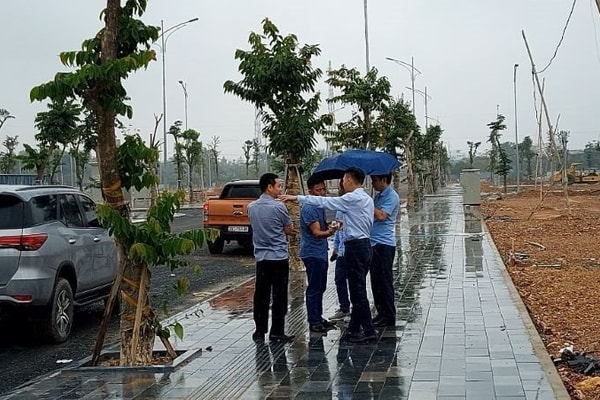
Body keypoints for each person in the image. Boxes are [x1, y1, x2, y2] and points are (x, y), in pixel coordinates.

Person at [280, 167, 377, 343]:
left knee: (357, 292)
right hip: (363, 245)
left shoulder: (352, 198)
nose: (342, 183)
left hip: (356, 247)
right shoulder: (367, 199)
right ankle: (354, 329)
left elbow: (326, 203)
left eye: (343, 180)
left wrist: (296, 197)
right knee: (356, 290)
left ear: (348, 180)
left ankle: (368, 330)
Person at [247, 173, 295, 343]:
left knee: (261, 295)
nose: (280, 189)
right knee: (279, 296)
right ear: (269, 187)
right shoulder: (278, 207)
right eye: (279, 186)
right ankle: (277, 331)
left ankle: (259, 331)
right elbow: (288, 229)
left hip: (261, 257)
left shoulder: (251, 207)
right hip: (279, 257)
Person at [299, 175, 338, 333]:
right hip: (312, 252)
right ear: (310, 192)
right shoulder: (309, 208)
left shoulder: (319, 206)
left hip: (320, 251)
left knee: (320, 286)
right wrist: (331, 231)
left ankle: (318, 316)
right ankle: (313, 320)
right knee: (314, 287)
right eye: (318, 190)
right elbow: (316, 232)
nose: (322, 193)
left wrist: (329, 225)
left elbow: (321, 227)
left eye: (324, 189)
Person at [369, 174, 400, 328]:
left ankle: (388, 315)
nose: (373, 183)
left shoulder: (391, 196)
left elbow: (381, 216)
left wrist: (368, 204)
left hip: (384, 244)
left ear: (383, 180)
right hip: (374, 243)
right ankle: (380, 313)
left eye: (375, 180)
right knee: (376, 282)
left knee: (384, 281)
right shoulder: (379, 196)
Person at [329, 178, 351, 321]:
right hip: (342, 252)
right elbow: (338, 230)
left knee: (355, 281)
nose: (339, 189)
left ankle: (358, 309)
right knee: (339, 280)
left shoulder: (355, 205)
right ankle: (344, 307)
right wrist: (335, 249)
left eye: (341, 186)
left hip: (353, 250)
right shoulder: (339, 208)